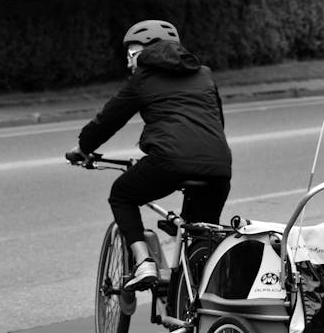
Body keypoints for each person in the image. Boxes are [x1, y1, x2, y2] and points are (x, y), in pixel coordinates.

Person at [68, 19, 232, 314]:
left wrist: (83, 148)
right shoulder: (204, 74)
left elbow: (109, 119)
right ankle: (197, 312)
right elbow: (217, 121)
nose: (128, 59)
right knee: (198, 240)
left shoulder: (143, 78)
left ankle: (144, 263)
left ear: (143, 51)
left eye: (131, 52)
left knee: (122, 194)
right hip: (218, 166)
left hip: (169, 161)